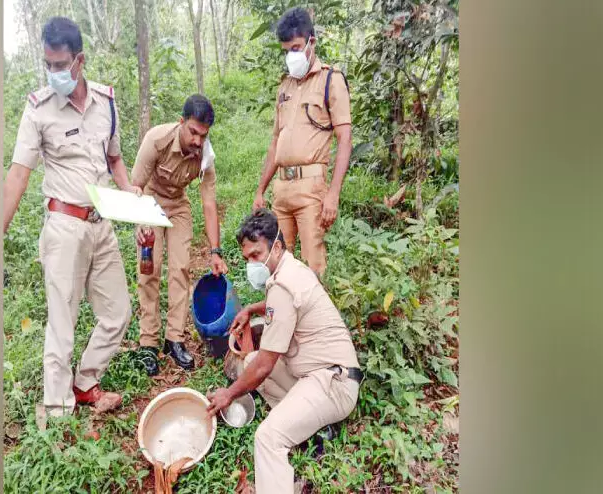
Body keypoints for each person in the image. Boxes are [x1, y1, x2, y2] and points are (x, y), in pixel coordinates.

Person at [2, 17, 140, 418]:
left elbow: (114, 158)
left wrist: (129, 191)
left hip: (103, 224)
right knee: (62, 325)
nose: (53, 73)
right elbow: (17, 175)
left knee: (117, 314)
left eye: (60, 65)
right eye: (48, 64)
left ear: (80, 60)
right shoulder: (39, 110)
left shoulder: (106, 103)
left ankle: (85, 383)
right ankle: (58, 414)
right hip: (64, 228)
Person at [206, 209, 363, 493]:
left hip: (333, 384)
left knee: (267, 438)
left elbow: (266, 365)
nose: (251, 264)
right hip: (317, 374)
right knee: (251, 359)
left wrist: (229, 394)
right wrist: (251, 309)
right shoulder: (290, 269)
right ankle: (313, 427)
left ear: (276, 246)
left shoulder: (284, 285)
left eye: (256, 255)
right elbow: (278, 310)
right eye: (247, 259)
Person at [130, 95, 229, 375]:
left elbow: (209, 203)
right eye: (193, 132)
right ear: (181, 122)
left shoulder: (205, 156)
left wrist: (215, 251)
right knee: (150, 269)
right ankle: (148, 342)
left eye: (203, 135)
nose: (197, 140)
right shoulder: (156, 140)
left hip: (178, 206)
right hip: (149, 201)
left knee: (181, 269)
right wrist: (141, 223)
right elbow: (135, 186)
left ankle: (174, 339)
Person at [252, 7, 353, 277]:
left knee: (311, 269)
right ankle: (283, 319)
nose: (291, 56)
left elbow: (345, 140)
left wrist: (333, 193)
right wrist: (261, 190)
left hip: (312, 189)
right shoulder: (284, 86)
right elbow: (275, 143)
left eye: (296, 47)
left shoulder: (331, 80)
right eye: (287, 50)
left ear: (312, 42)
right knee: (277, 266)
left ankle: (315, 321)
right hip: (281, 189)